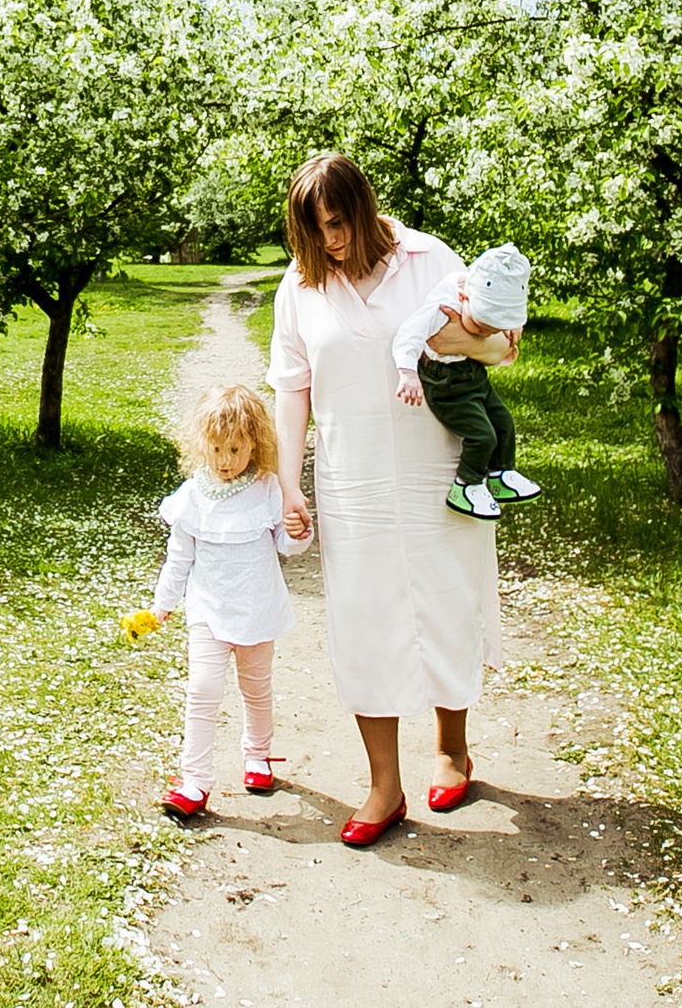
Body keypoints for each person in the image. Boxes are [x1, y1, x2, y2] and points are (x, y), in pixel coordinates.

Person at [269, 152, 503, 847]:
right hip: (355, 479)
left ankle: (452, 750)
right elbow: (291, 386)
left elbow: (499, 346)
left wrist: (472, 334)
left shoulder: (430, 259)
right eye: (315, 231)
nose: (331, 242)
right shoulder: (301, 283)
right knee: (364, 620)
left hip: (440, 467)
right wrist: (290, 481)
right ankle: (384, 784)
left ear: (364, 208)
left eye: (338, 224)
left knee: (448, 603)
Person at [132, 384, 313, 820]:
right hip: (208, 613)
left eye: (236, 448)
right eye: (216, 449)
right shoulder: (192, 496)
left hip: (257, 608)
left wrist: (298, 529)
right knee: (202, 690)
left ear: (256, 442)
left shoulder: (269, 489)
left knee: (256, 688)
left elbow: (286, 547)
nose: (226, 459)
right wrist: (162, 605)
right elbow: (180, 557)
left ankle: (258, 755)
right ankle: (194, 782)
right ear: (201, 445)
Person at [392, 242, 541, 519]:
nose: (485, 333)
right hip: (445, 382)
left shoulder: (484, 292)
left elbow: (500, 318)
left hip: (472, 372)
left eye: (493, 329)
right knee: (482, 435)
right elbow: (407, 336)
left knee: (504, 422)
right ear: (463, 297)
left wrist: (509, 325)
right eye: (482, 326)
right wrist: (408, 373)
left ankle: (501, 475)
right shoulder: (441, 307)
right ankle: (467, 485)